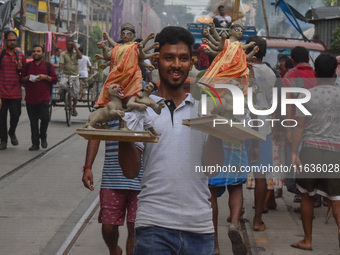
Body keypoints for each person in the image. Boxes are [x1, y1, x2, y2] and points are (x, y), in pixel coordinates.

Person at [118, 26, 224, 255]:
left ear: (191, 62)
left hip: (199, 228)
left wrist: (216, 124)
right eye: (169, 58)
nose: (176, 65)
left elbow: (213, 169)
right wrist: (123, 124)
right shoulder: (141, 109)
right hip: (153, 227)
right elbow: (129, 170)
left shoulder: (204, 108)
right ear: (156, 61)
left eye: (183, 58)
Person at [290, 53, 340, 251]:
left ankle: (308, 240)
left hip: (310, 150)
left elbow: (300, 127)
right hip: (335, 152)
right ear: (335, 74)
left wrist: (294, 152)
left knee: (306, 195)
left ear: (316, 73)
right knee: (336, 198)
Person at [82, 119, 143, 255]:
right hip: (112, 178)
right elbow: (94, 135)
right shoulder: (106, 104)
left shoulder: (147, 105)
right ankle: (114, 249)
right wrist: (87, 167)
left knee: (135, 227)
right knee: (108, 227)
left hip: (142, 180)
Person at [245, 36, 276, 232]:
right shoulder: (271, 74)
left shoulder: (243, 69)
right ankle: (257, 220)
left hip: (243, 123)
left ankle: (235, 212)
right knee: (260, 176)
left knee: (237, 172)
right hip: (263, 127)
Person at [20, 45, 57, 150]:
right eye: (34, 51)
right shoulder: (27, 66)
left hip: (44, 98)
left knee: (45, 119)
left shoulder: (48, 66)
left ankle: (43, 136)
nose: (36, 53)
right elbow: (21, 79)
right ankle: (35, 143)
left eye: (38, 51)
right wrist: (27, 78)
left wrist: (45, 77)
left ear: (43, 53)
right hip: (30, 99)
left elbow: (54, 79)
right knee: (33, 122)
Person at [0, 30, 25, 150]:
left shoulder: (20, 55)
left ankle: (12, 131)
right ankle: (3, 141)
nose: (12, 42)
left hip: (15, 93)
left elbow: (24, 73)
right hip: (2, 92)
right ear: (5, 41)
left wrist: (20, 68)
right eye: (9, 40)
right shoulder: (1, 54)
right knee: (1, 118)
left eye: (14, 40)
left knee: (16, 115)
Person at [59, 39, 82, 116]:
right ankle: (67, 94)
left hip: (75, 76)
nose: (69, 46)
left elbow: (80, 56)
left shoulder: (76, 53)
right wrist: (59, 72)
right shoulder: (63, 54)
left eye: (71, 44)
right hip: (66, 75)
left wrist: (75, 46)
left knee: (76, 93)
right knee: (62, 84)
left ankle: (74, 108)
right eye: (68, 44)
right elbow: (61, 63)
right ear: (66, 45)